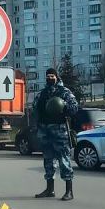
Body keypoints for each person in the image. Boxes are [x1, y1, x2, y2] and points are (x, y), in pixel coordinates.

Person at [33, 68, 79, 201]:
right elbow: (35, 108)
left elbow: (74, 107)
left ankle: (69, 191)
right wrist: (35, 125)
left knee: (64, 160)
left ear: (57, 77)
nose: (50, 78)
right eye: (48, 76)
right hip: (44, 130)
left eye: (52, 76)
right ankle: (49, 189)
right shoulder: (42, 93)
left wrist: (64, 107)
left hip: (59, 130)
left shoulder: (64, 92)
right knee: (48, 160)